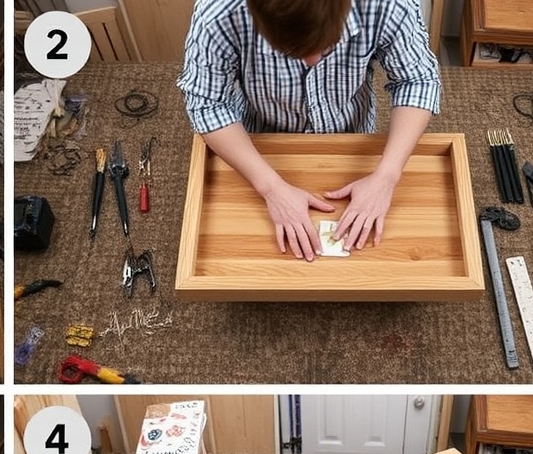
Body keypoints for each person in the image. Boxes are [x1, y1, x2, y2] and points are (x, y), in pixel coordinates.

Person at [178, 0, 441, 260]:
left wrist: (386, 176)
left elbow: (418, 81)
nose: (312, 60)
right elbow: (207, 104)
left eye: (327, 46)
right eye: (290, 51)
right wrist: (270, 188)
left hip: (352, 130)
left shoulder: (388, 3)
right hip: (257, 140)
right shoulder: (217, 12)